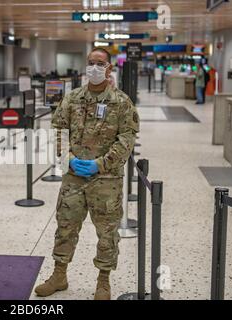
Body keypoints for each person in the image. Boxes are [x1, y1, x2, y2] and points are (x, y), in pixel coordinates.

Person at [34, 47, 139, 300]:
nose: (94, 67)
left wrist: (100, 164)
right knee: (66, 226)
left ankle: (103, 281)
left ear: (109, 68)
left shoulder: (121, 102)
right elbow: (58, 128)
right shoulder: (72, 98)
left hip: (106, 180)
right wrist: (67, 157)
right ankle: (59, 275)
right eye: (91, 62)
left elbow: (127, 139)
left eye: (100, 63)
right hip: (73, 177)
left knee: (107, 232)